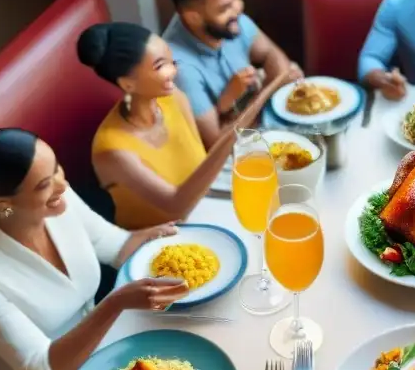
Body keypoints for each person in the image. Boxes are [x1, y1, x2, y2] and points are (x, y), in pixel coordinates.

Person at [0, 129, 191, 370]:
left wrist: (152, 237)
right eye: (44, 184)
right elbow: (42, 368)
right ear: (2, 204)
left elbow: (115, 247)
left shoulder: (60, 199)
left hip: (91, 351)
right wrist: (115, 303)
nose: (62, 184)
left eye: (57, 169)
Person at [79, 21, 283, 230]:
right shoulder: (112, 149)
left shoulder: (172, 97)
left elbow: (203, 160)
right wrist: (270, 88)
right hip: (158, 239)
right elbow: (175, 205)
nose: (174, 71)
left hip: (204, 207)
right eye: (160, 66)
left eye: (171, 60)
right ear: (127, 84)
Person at [163, 0, 303, 147]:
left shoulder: (229, 21)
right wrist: (271, 89)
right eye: (224, 8)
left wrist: (270, 87)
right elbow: (216, 143)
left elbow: (271, 53)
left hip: (249, 119)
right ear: (193, 17)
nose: (238, 9)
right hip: (227, 155)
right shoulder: (180, 68)